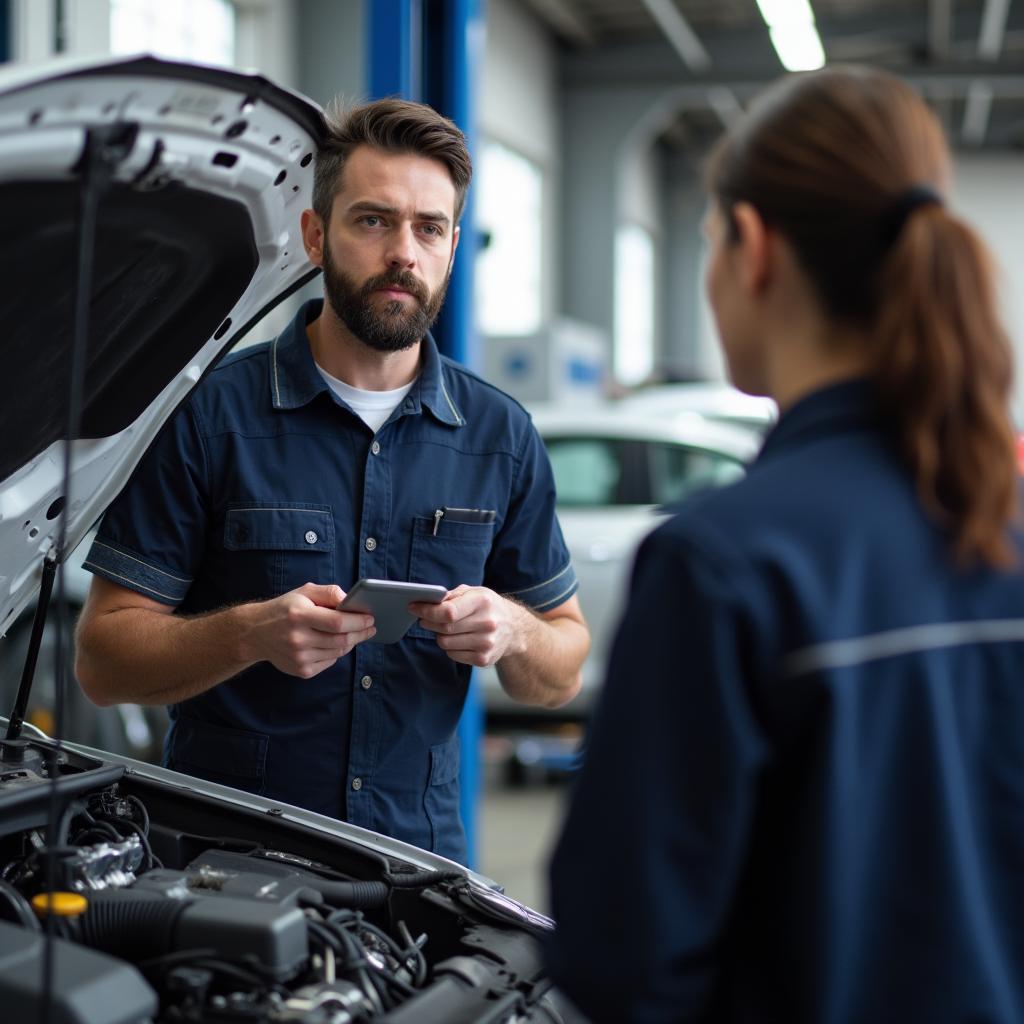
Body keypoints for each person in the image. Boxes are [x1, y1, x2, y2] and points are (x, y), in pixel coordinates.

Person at [546, 66, 1024, 1023]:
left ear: (753, 248)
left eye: (709, 241)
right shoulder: (999, 528)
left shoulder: (724, 563)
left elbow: (622, 959)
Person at [74, 97, 589, 865]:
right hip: (226, 868)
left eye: (429, 227)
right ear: (317, 237)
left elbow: (561, 668)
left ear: (451, 248)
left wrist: (514, 631)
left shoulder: (499, 438)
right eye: (373, 221)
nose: (403, 253)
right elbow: (103, 663)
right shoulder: (208, 415)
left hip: (416, 870)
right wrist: (249, 634)